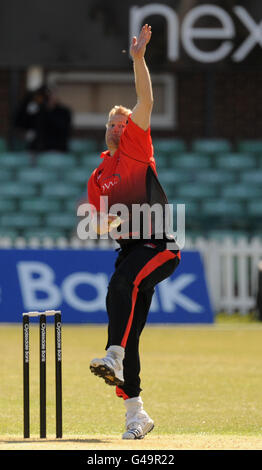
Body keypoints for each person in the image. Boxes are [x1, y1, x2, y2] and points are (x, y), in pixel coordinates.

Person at [87, 24, 181, 440]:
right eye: (112, 124)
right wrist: (105, 223)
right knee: (123, 316)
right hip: (129, 251)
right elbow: (96, 220)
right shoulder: (98, 174)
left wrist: (139, 59)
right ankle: (136, 416)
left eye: (122, 123)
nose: (117, 128)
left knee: (122, 285)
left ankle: (113, 354)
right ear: (105, 129)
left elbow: (146, 99)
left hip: (160, 247)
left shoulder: (137, 146)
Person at [14, 85, 72, 153]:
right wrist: (30, 99)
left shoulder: (64, 112)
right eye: (47, 95)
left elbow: (62, 128)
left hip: (57, 149)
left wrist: (48, 109)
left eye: (52, 94)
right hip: (37, 149)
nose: (49, 97)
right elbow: (20, 123)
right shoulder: (37, 110)